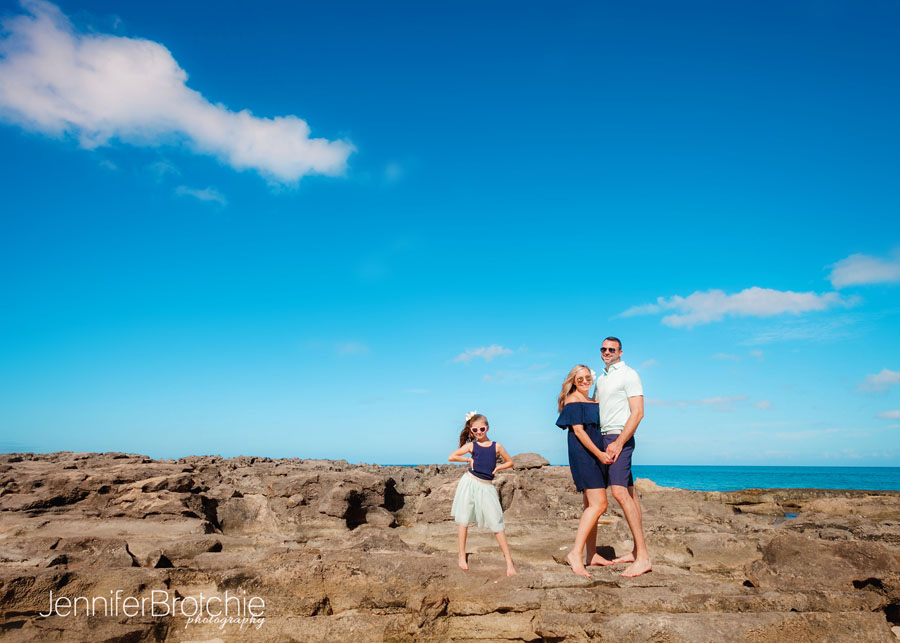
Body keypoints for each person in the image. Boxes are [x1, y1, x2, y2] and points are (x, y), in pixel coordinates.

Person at [593, 336, 652, 577]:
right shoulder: (601, 378)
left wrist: (619, 442)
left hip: (619, 437)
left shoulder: (629, 374)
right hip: (603, 436)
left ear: (620, 351)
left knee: (618, 492)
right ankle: (638, 552)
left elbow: (638, 413)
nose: (607, 352)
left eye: (612, 349)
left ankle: (644, 559)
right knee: (629, 492)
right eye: (604, 349)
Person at [556, 364, 613, 577]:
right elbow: (579, 432)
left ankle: (592, 554)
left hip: (596, 454)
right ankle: (575, 554)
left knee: (591, 505)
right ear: (573, 381)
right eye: (580, 379)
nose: (585, 382)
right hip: (585, 456)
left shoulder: (592, 400)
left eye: (587, 378)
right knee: (600, 504)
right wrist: (599, 454)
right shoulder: (572, 400)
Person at [448, 411, 517, 576]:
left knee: (496, 523)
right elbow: (452, 456)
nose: (479, 433)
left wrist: (499, 467)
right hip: (469, 483)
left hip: (486, 486)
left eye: (482, 429)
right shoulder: (471, 446)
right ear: (471, 431)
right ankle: (461, 555)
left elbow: (510, 462)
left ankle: (509, 561)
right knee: (463, 520)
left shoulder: (496, 446)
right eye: (475, 430)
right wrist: (468, 459)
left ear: (488, 428)